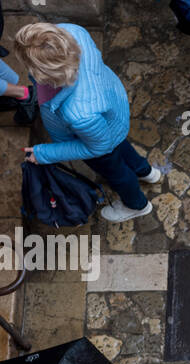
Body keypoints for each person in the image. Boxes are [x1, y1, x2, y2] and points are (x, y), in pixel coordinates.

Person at [12, 22, 161, 224]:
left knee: (116, 173)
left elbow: (100, 147)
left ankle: (137, 205)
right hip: (111, 116)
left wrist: (44, 154)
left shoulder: (80, 114)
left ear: (46, 75)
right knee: (121, 147)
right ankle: (146, 172)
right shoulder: (74, 32)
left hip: (97, 134)